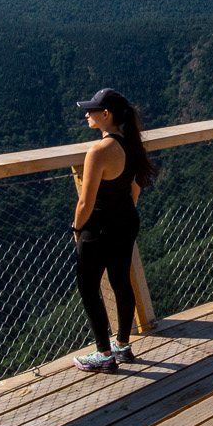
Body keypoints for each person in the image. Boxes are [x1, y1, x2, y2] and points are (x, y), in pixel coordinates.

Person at [70, 87, 155, 373]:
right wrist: (122, 215)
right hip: (126, 221)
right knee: (121, 281)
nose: (86, 114)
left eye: (91, 110)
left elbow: (86, 201)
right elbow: (134, 191)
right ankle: (122, 345)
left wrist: (77, 228)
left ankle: (104, 354)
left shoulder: (98, 151)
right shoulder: (132, 145)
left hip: (99, 227)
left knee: (88, 286)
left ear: (105, 114)